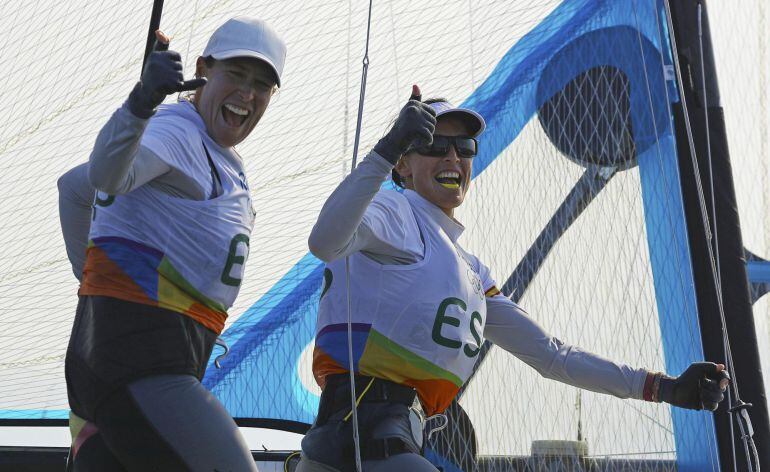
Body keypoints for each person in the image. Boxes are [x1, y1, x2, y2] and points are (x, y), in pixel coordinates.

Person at [298, 85, 731, 471]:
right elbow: (324, 240)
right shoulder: (394, 211)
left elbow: (552, 356)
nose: (452, 156)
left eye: (464, 146)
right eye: (433, 144)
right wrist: (387, 145)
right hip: (359, 440)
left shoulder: (471, 272)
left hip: (389, 443)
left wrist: (663, 387)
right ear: (404, 166)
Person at [57, 16, 286, 471]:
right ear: (202, 69)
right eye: (236, 75)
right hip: (142, 364)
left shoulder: (213, 152)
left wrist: (96, 277)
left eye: (261, 84)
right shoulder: (178, 132)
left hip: (114, 363)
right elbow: (104, 177)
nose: (247, 93)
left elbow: (73, 187)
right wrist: (141, 102)